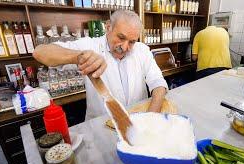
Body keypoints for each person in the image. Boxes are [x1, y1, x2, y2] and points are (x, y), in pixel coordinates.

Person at [33, 10, 168, 119]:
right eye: (121, 38)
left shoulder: (142, 50)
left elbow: (158, 83)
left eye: (132, 41)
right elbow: (39, 52)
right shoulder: (89, 45)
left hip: (138, 121)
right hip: (102, 126)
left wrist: (151, 118)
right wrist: (78, 57)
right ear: (108, 27)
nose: (125, 47)